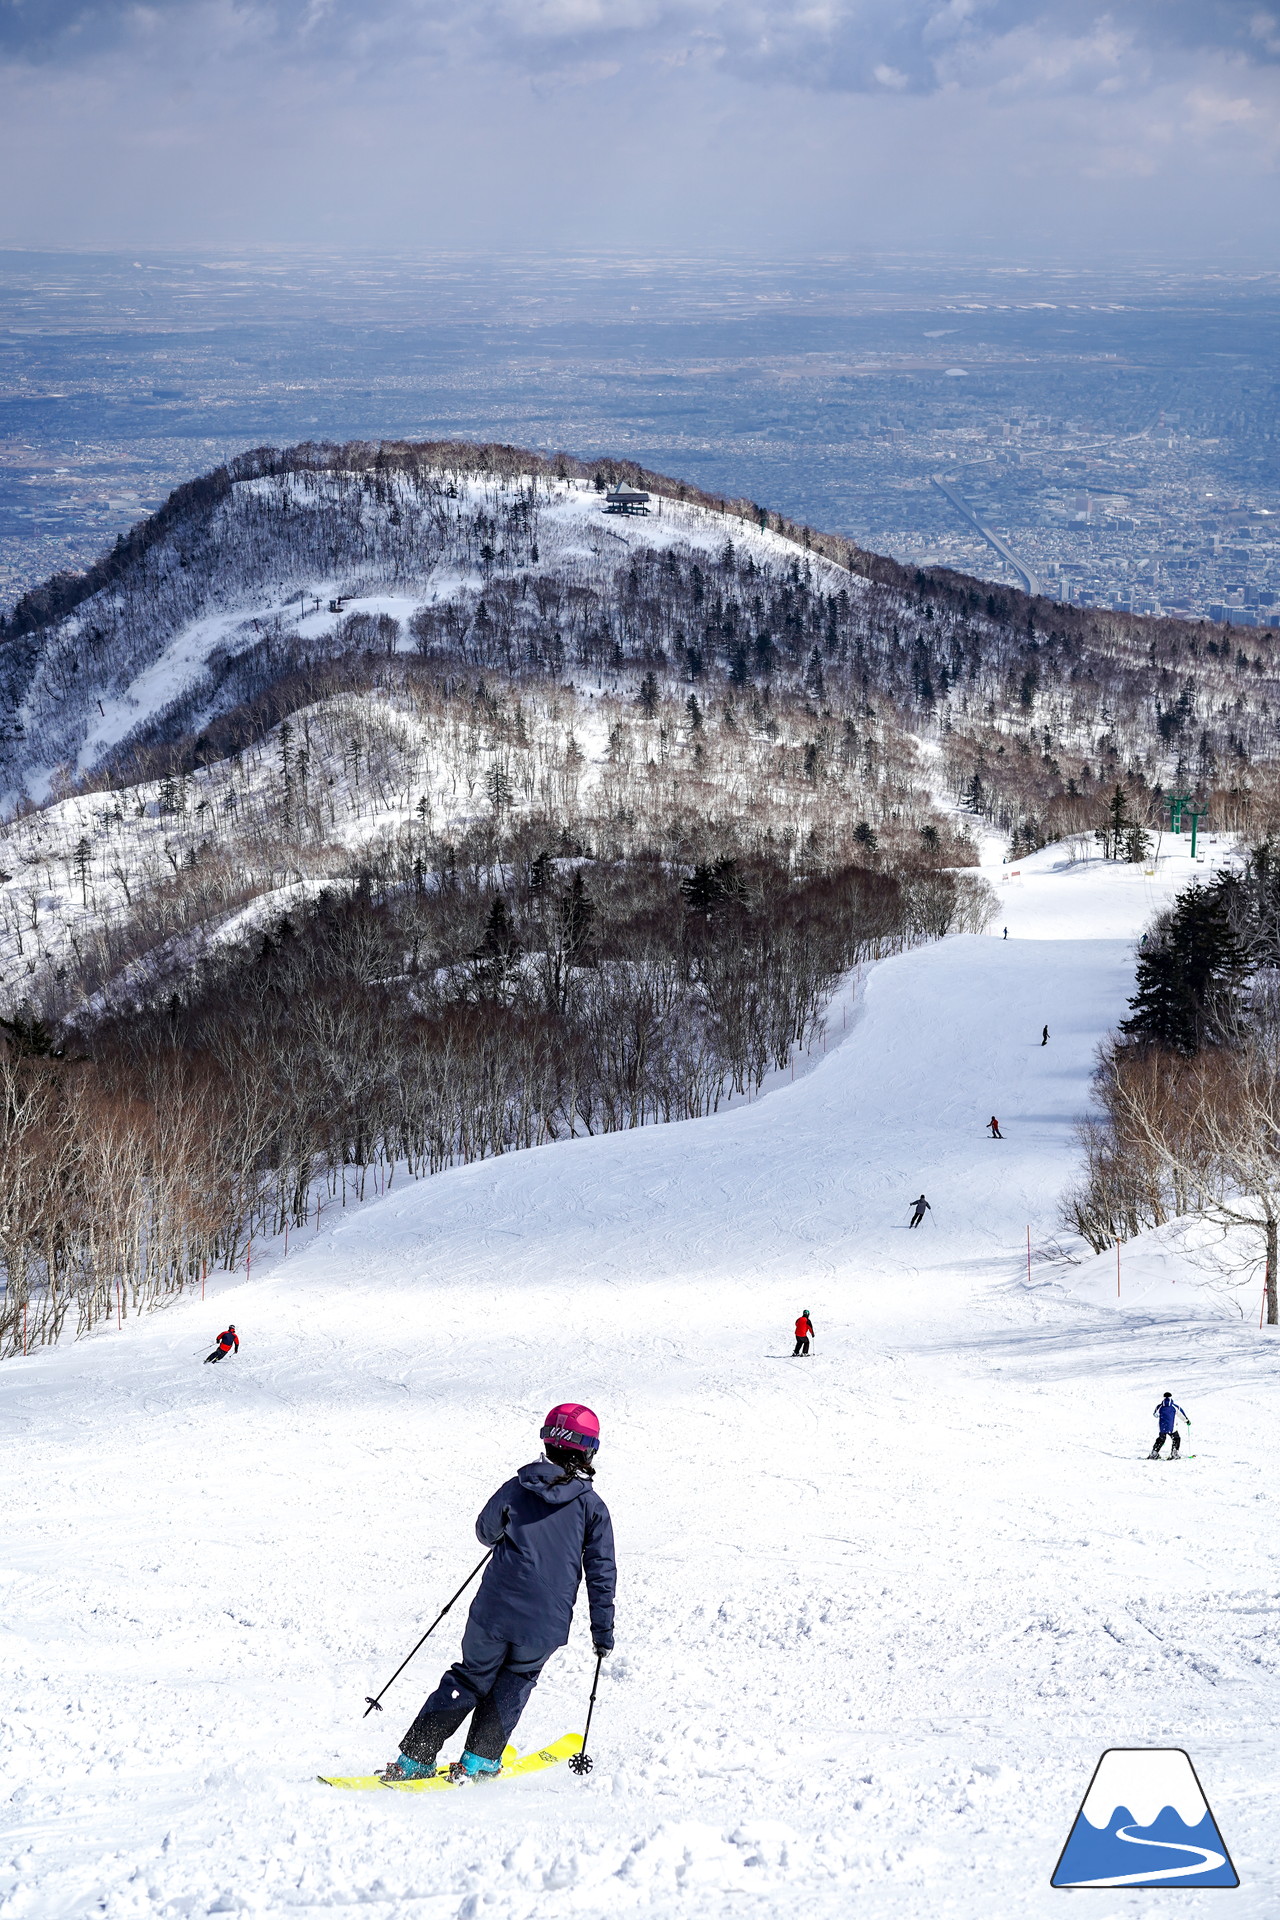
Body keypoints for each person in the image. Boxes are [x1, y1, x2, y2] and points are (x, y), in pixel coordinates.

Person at [377, 1403, 616, 1784]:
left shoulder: (517, 1487)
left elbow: (485, 1531)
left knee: (470, 1677)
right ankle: (477, 1761)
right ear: (588, 1451)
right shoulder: (592, 1508)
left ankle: (414, 1759)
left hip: (493, 1611)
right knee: (516, 1679)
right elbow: (601, 1575)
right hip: (544, 1622)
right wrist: (602, 1633)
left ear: (548, 1443)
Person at [1149, 1392, 1190, 1458]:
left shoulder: (1159, 1406)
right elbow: (1182, 1415)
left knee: (1161, 1439)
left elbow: (1155, 1414)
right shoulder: (1175, 1406)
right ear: (1171, 1397)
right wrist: (1187, 1421)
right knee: (1176, 1438)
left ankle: (1154, 1453)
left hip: (1162, 1427)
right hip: (1172, 1427)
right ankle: (1174, 1453)